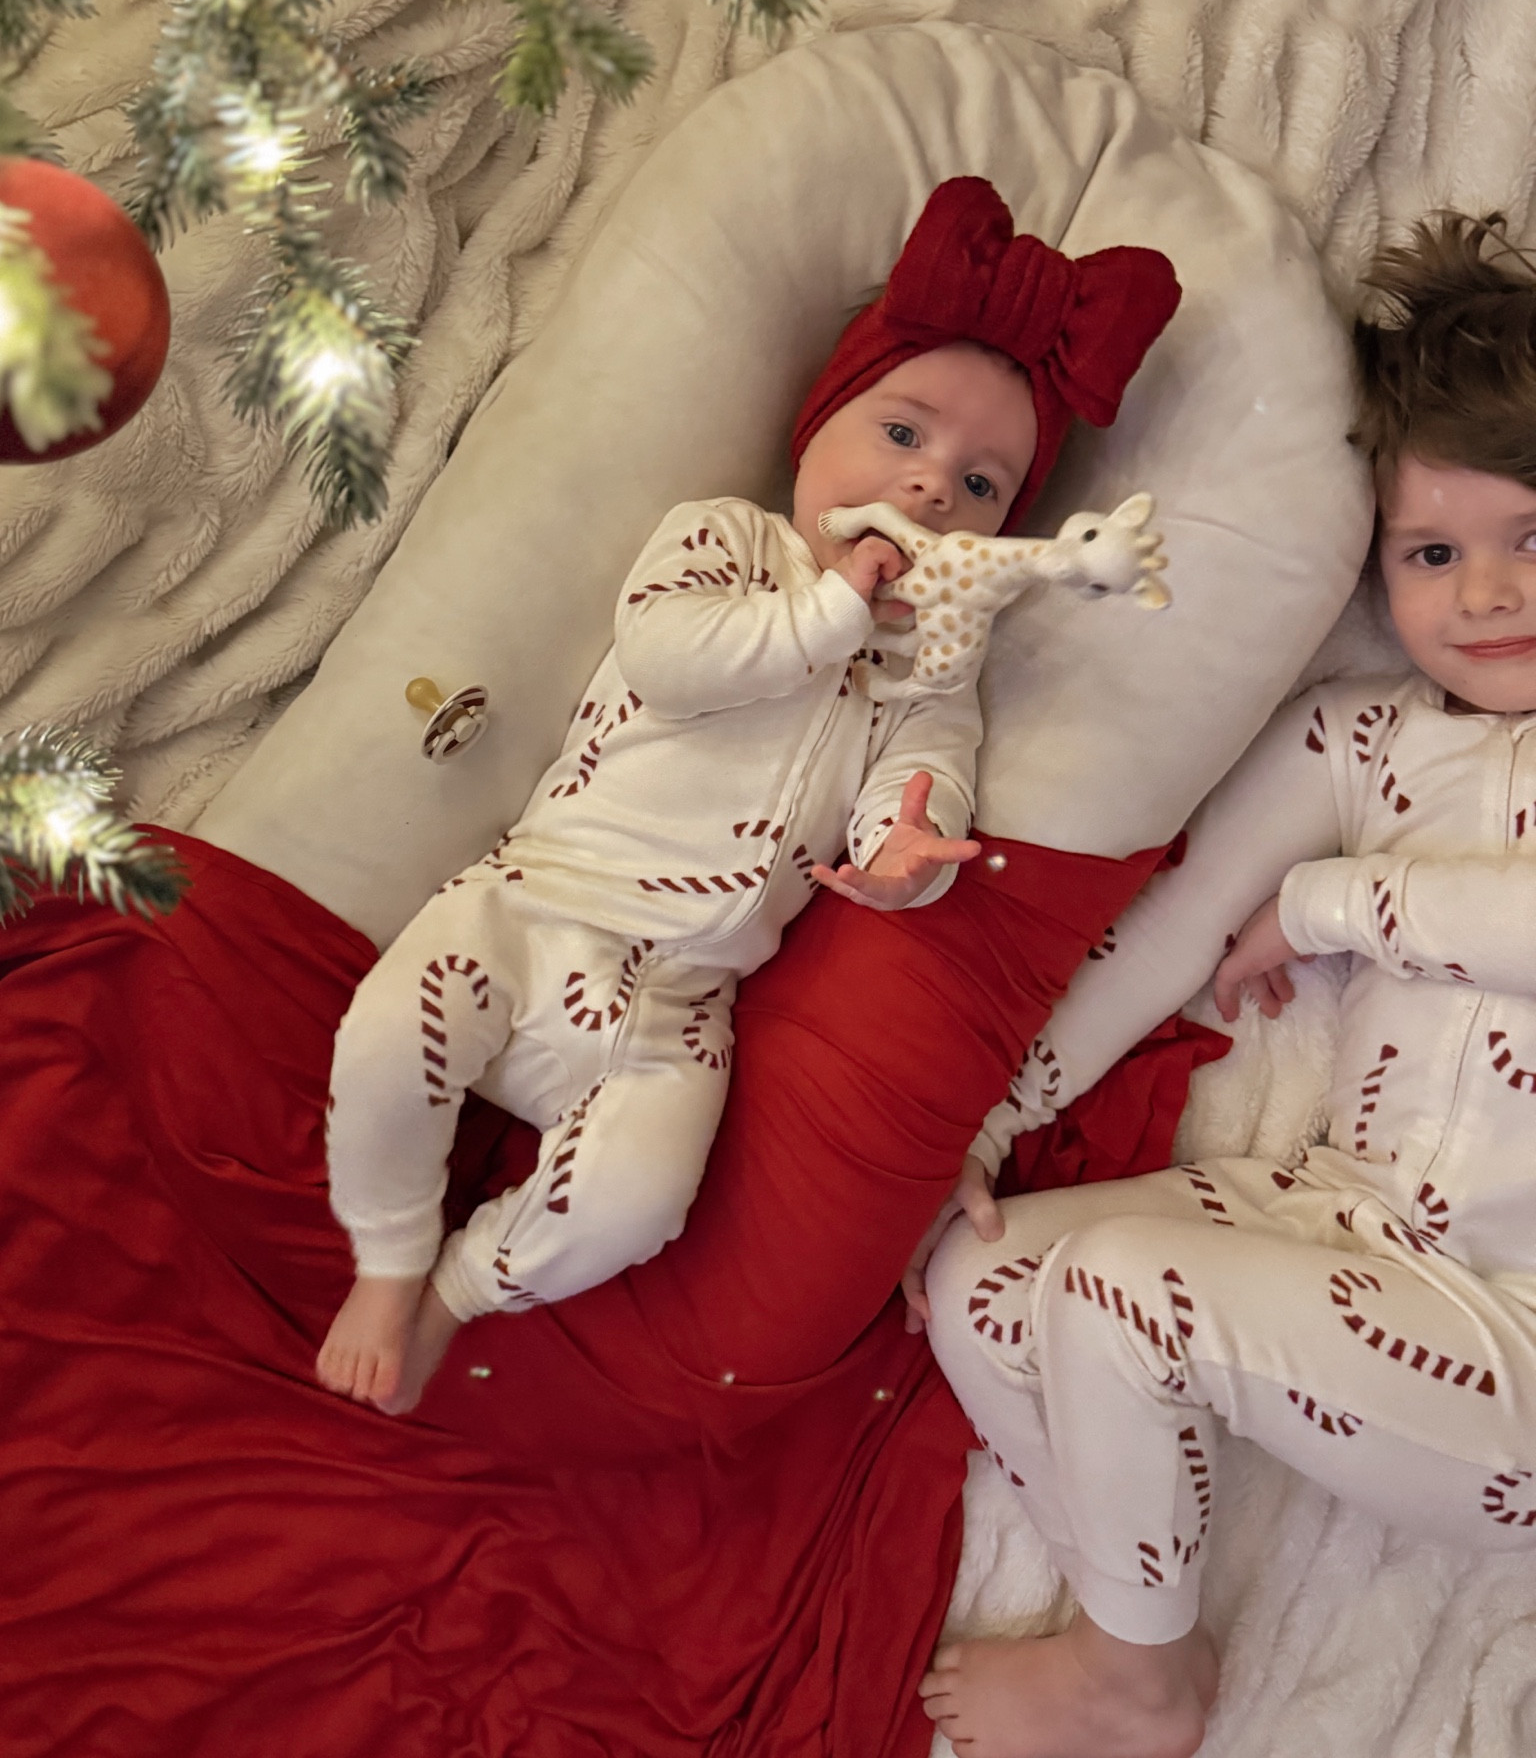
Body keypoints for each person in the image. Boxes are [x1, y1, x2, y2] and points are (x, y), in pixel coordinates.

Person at [314, 175, 1182, 1416]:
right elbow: (674, 657)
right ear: (815, 428)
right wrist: (828, 611)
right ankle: (388, 1255)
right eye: (901, 434)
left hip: (681, 1004)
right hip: (534, 906)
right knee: (392, 1038)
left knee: (639, 1201)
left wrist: (910, 843)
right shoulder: (725, 542)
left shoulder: (933, 649)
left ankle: (459, 1289)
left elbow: (926, 755)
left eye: (983, 486)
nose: (934, 486)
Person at [917, 212, 1536, 1758]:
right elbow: (1177, 926)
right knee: (973, 1277)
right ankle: (1147, 1643)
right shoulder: (1365, 740)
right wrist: (993, 1115)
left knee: (1121, 1295)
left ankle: (1125, 1690)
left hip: (1521, 1341)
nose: (1485, 595)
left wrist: (1330, 903)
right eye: (1434, 554)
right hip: (1345, 1230)